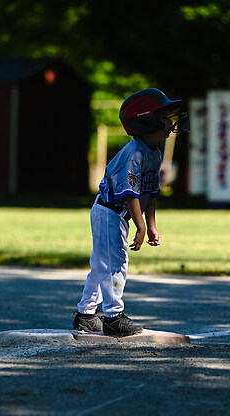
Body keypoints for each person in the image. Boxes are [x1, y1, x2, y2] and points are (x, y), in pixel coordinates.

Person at [73, 88, 189, 336]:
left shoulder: (154, 153)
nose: (171, 121)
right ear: (146, 120)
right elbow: (129, 193)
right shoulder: (134, 154)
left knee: (101, 265)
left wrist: (152, 224)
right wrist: (140, 226)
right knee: (115, 263)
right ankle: (114, 316)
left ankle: (85, 315)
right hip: (109, 212)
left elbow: (151, 192)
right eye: (165, 116)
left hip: (116, 214)